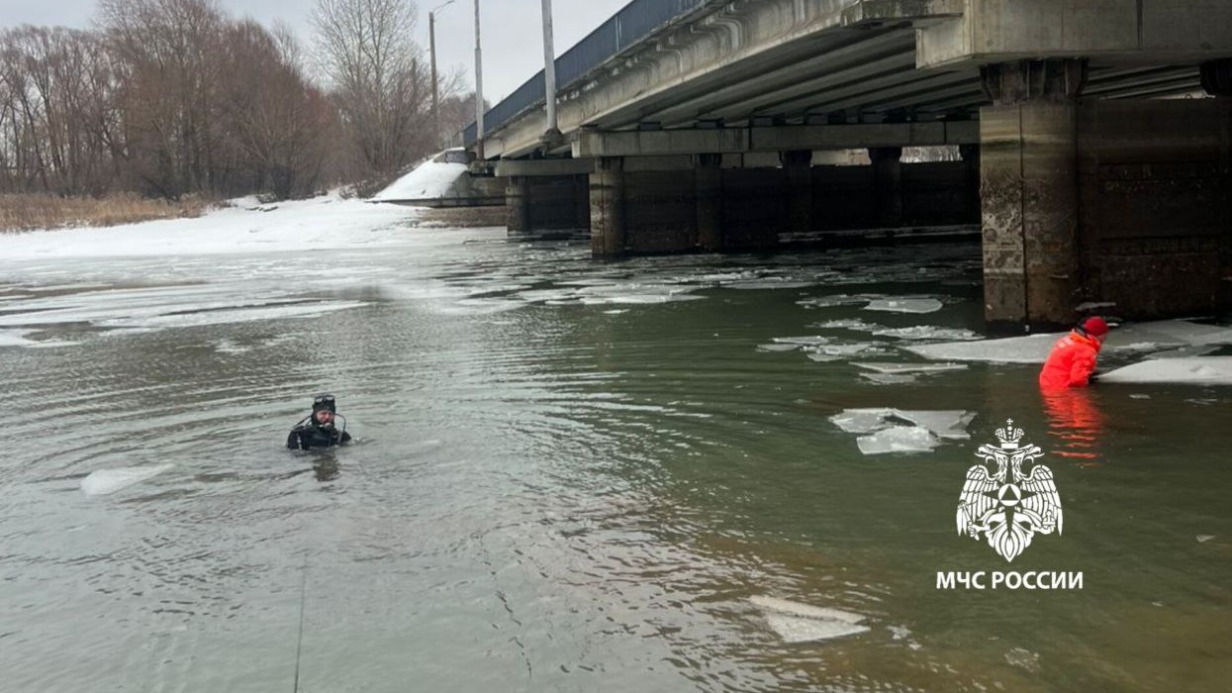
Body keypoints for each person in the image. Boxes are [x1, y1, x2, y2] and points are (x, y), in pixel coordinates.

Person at [1038, 316, 1110, 389]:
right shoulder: (1086, 350)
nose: (1106, 337)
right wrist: (1088, 382)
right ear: (1097, 335)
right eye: (1104, 334)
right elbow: (1078, 379)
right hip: (1061, 388)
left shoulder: (1068, 339)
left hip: (1046, 382)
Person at [286, 394, 351, 450]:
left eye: (330, 414)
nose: (327, 417)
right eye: (323, 413)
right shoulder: (299, 434)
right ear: (315, 415)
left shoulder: (342, 436)